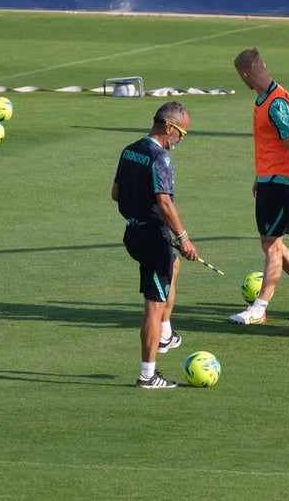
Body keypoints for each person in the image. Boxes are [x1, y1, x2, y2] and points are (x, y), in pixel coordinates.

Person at [228, 48, 289, 326]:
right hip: (269, 181)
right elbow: (270, 145)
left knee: (271, 246)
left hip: (282, 184)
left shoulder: (277, 104)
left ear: (245, 74)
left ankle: (260, 306)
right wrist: (260, 175)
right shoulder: (263, 100)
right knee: (272, 243)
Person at [113, 101, 199, 389]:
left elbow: (116, 193)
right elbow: (164, 203)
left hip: (133, 233)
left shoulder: (130, 150)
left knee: (173, 266)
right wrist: (183, 237)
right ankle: (147, 375)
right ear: (169, 127)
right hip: (153, 237)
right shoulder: (160, 158)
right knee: (154, 304)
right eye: (181, 133)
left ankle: (165, 333)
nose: (181, 139)